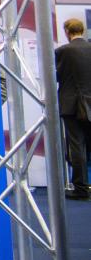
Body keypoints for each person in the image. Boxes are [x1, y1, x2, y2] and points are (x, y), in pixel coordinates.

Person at [56, 17, 91, 200]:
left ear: (67, 32)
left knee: (76, 147)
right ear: (82, 31)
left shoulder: (62, 51)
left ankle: (81, 189)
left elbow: (57, 76)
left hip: (70, 106)